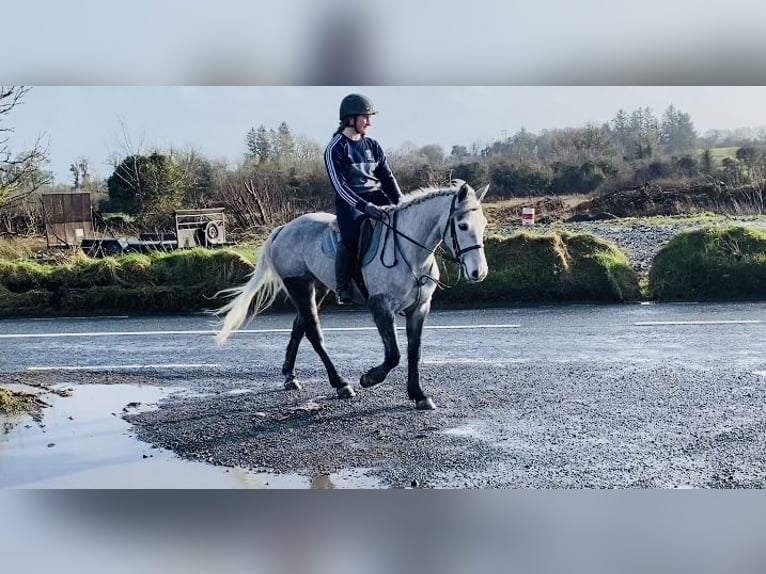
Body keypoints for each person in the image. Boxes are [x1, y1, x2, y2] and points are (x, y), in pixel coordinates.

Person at [324, 93, 403, 305]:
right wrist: (364, 206)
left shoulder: (373, 146)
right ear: (351, 119)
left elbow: (387, 177)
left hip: (376, 196)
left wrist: (401, 202)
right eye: (365, 117)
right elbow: (340, 186)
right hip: (351, 202)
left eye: (369, 117)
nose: (369, 122)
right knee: (350, 239)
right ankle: (342, 287)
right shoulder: (335, 148)